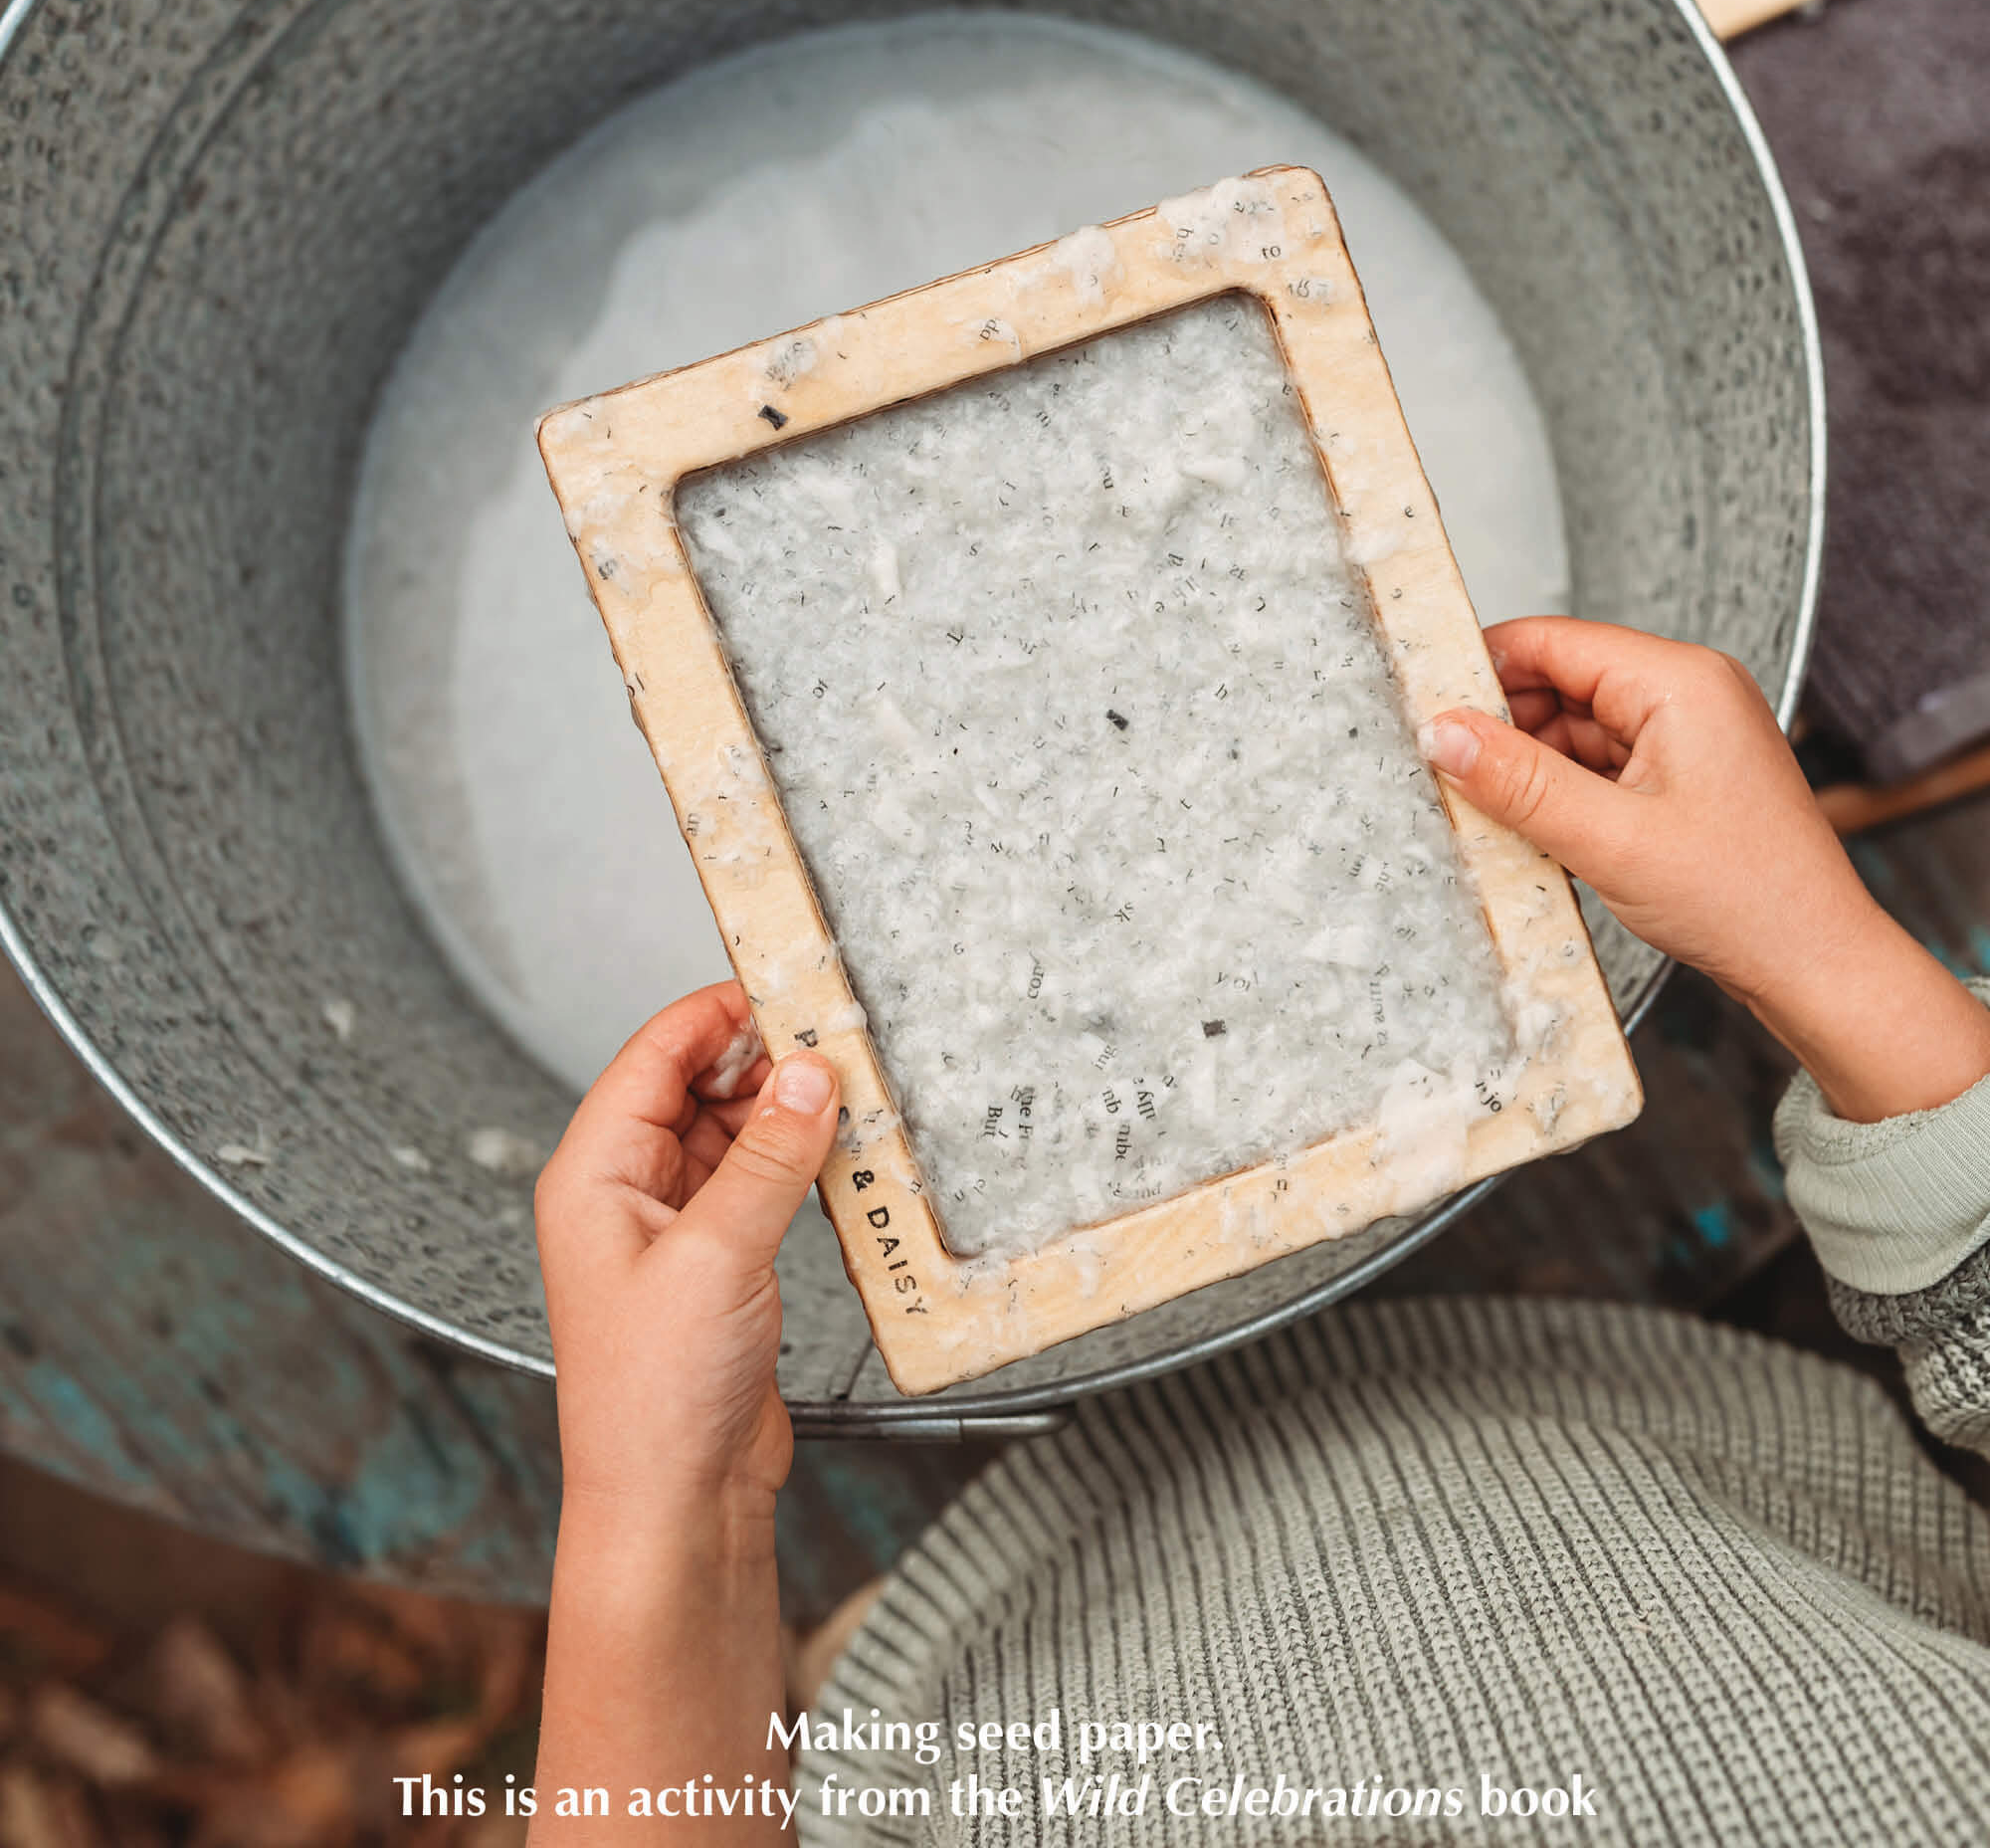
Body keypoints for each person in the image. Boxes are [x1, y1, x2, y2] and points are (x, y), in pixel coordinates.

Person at [525, 619, 1990, 1845]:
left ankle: (883, 1655)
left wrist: (677, 1515)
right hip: (1686, 1463)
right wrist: (1820, 955)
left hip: (1004, 1687)